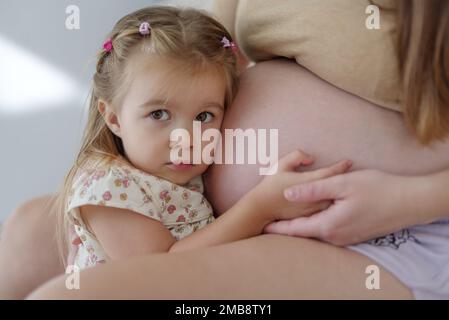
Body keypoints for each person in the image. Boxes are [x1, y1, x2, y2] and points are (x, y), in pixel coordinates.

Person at [1, 0, 449, 299]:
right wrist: (253, 199)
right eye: (159, 115)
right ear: (112, 116)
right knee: (25, 232)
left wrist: (412, 200)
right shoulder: (117, 187)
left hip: (399, 234)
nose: (186, 137)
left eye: (204, 117)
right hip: (222, 214)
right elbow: (213, 54)